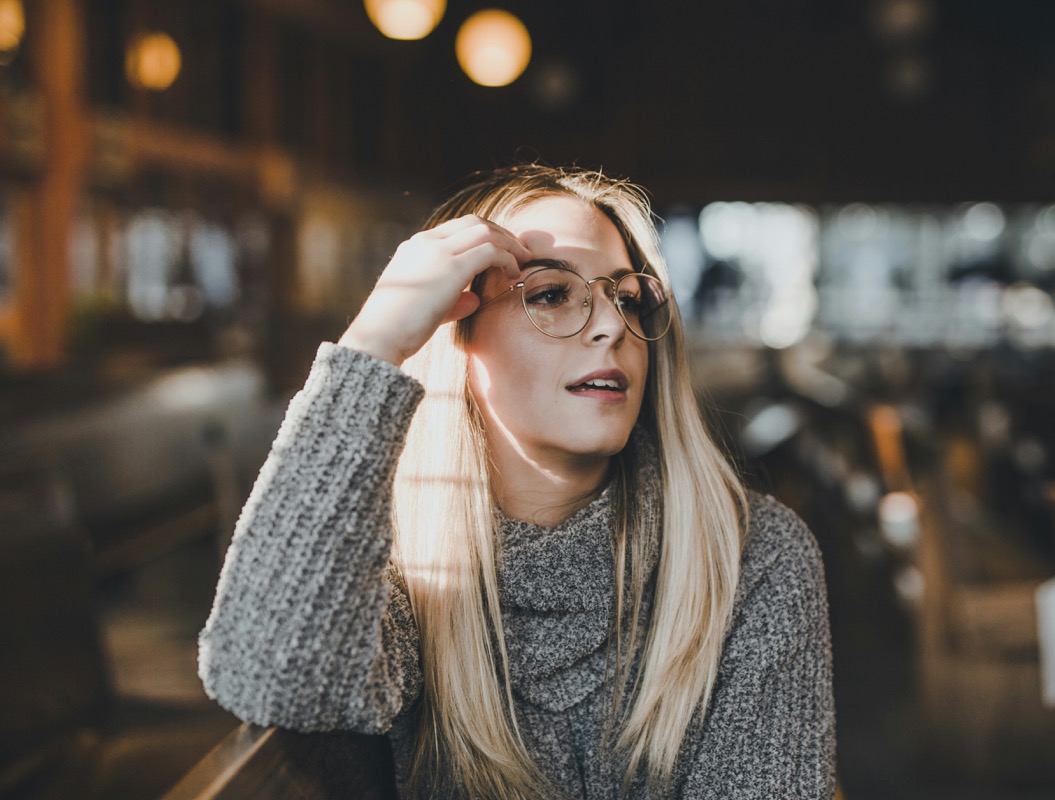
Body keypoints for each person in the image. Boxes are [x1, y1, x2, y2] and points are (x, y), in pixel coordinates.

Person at [198, 164, 835, 799]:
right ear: (456, 338)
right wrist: (374, 342)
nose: (613, 325)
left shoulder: (750, 557)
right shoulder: (398, 574)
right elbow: (264, 671)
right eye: (552, 294)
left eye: (627, 297)